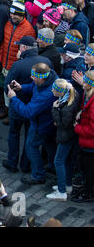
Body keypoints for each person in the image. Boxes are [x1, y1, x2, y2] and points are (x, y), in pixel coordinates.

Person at [2, 36, 53, 173]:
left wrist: (13, 96)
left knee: (14, 134)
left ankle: (12, 162)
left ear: (24, 48)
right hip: (36, 110)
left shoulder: (18, 65)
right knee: (29, 138)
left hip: (19, 106)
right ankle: (25, 165)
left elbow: (7, 86)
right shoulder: (46, 61)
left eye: (20, 46)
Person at [7, 63, 58, 185]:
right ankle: (53, 166)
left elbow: (28, 111)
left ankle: (38, 175)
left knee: (31, 147)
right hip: (48, 123)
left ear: (41, 77)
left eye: (33, 76)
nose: (31, 77)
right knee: (50, 145)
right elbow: (34, 86)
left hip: (41, 125)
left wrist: (13, 98)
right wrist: (22, 88)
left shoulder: (46, 95)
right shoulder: (49, 80)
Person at [0, 0, 36, 122]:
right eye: (11, 14)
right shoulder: (8, 24)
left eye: (15, 15)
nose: (12, 17)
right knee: (3, 87)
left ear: (22, 15)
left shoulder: (28, 29)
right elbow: (4, 43)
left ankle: (11, 113)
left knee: (13, 90)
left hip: (16, 64)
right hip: (5, 63)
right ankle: (5, 109)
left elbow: (29, 52)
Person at [46, 79, 80, 201]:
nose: (52, 90)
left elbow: (62, 124)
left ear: (60, 92)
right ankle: (67, 185)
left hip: (65, 136)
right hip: (71, 135)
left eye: (54, 89)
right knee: (67, 161)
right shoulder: (73, 94)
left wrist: (54, 110)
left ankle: (61, 192)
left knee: (58, 161)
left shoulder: (66, 107)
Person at [72, 71, 94, 202]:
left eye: (85, 82)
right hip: (87, 142)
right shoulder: (88, 95)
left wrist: (77, 128)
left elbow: (92, 129)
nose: (82, 83)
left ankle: (88, 193)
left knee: (89, 170)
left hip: (90, 144)